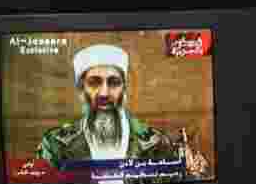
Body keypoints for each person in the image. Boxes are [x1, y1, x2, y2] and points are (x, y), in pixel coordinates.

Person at [36, 43, 209, 176]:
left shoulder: (156, 144)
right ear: (82, 90)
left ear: (124, 89)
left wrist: (193, 173)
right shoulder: (54, 145)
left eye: (113, 82)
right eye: (94, 82)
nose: (104, 93)